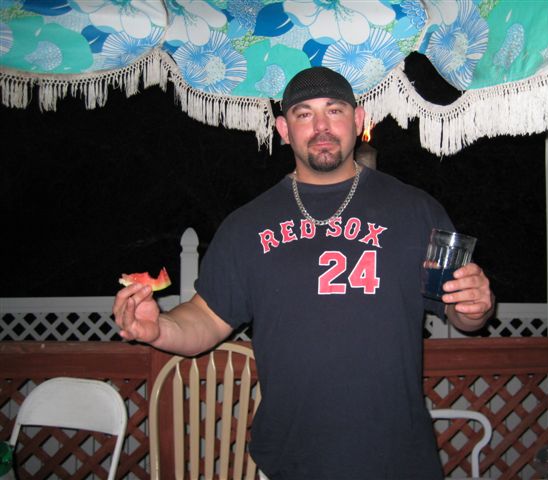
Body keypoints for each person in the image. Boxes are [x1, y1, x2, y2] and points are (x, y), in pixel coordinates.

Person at [113, 66, 494, 479]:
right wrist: (159, 328)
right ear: (284, 130)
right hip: (292, 462)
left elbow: (460, 311)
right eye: (304, 114)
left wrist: (475, 307)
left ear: (358, 120)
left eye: (334, 110)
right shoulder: (246, 226)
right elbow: (206, 317)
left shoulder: (415, 211)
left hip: (399, 459)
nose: (321, 126)